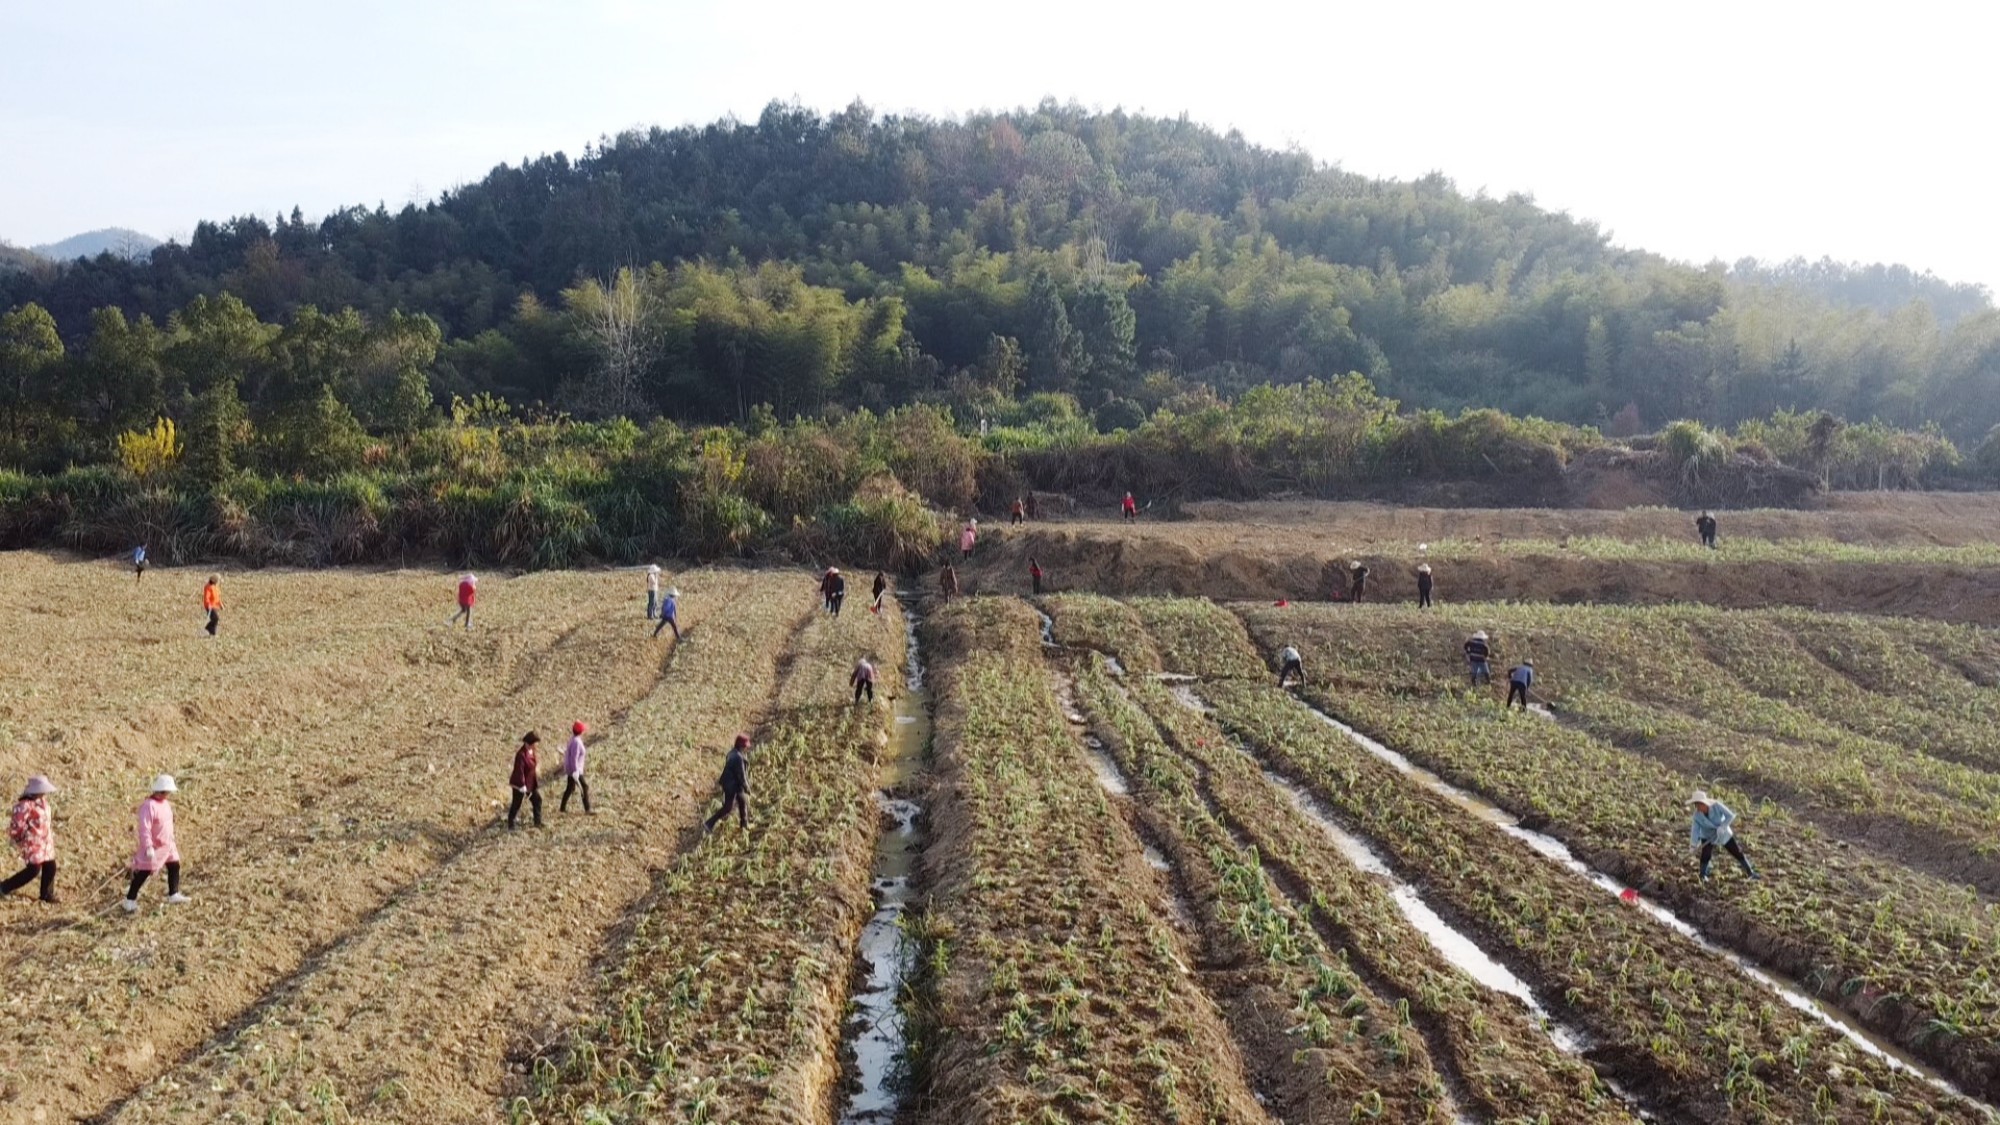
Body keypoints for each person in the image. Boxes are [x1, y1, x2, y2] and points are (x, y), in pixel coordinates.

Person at [124, 775, 187, 910]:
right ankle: (130, 899)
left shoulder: (165, 804)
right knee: (144, 871)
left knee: (174, 865)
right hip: (154, 846)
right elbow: (144, 828)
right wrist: (148, 846)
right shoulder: (148, 806)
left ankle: (173, 893)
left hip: (167, 844)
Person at [2, 775, 58, 903]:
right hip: (32, 843)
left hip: (45, 842)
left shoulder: (43, 802)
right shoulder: (24, 805)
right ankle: (5, 887)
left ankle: (47, 894)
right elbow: (17, 825)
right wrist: (20, 839)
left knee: (50, 866)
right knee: (34, 869)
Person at [1688, 790, 1758, 881]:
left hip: (1723, 832)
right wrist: (1693, 845)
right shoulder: (1697, 815)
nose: (1697, 808)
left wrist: (1723, 826)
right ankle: (1702, 875)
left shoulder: (1716, 806)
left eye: (1698, 805)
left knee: (1736, 851)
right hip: (1708, 835)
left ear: (1703, 803)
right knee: (1706, 855)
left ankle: (1750, 872)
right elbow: (1695, 830)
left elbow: (1730, 815)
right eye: (1695, 805)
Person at [705, 734, 752, 832]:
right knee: (728, 807)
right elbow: (741, 775)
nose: (746, 749)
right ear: (741, 746)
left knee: (743, 802)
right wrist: (747, 787)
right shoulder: (738, 758)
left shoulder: (732, 753)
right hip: (732, 785)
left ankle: (744, 825)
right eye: (745, 747)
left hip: (732, 783)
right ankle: (709, 823)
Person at [507, 731, 543, 829]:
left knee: (537, 800)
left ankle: (538, 822)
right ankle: (511, 824)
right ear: (529, 743)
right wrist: (522, 785)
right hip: (520, 784)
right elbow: (519, 770)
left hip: (530, 783)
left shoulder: (532, 752)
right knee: (516, 804)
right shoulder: (521, 755)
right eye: (535, 743)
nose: (536, 745)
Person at [560, 721, 591, 813]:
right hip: (575, 770)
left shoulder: (574, 739)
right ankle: (587, 809)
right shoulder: (576, 742)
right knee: (584, 787)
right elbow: (574, 758)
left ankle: (562, 808)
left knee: (570, 788)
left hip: (572, 769)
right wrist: (575, 771)